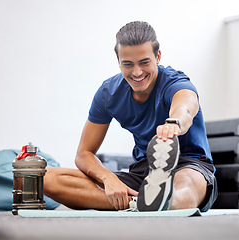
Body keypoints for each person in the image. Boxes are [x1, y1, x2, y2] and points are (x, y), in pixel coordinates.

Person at [44, 21, 217, 212]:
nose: (137, 72)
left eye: (144, 62)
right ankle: (139, 203)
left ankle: (164, 202)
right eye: (128, 64)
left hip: (189, 165)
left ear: (157, 57)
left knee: (184, 186)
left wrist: (174, 123)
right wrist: (109, 179)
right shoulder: (109, 93)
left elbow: (185, 106)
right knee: (46, 178)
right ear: (118, 62)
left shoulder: (174, 82)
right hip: (143, 172)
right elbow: (83, 154)